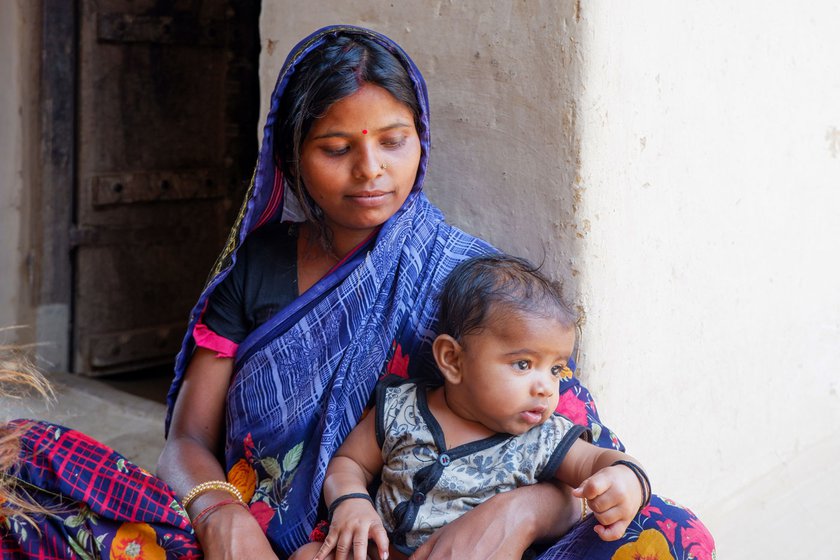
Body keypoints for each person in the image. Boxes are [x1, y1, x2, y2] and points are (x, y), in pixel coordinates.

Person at [1, 26, 715, 560]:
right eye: (337, 148)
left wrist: (523, 512)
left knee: (667, 539)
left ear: (421, 141)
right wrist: (218, 514)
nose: (371, 170)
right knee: (25, 462)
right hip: (261, 533)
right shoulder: (258, 268)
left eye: (394, 141)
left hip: (425, 541)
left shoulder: (464, 278)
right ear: (292, 159)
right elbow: (189, 437)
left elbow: (577, 441)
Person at [291, 255, 653, 560]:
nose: (546, 387)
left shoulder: (542, 437)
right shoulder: (400, 406)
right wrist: (351, 501)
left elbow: (599, 460)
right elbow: (348, 463)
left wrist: (628, 480)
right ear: (452, 359)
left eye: (556, 369)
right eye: (523, 364)